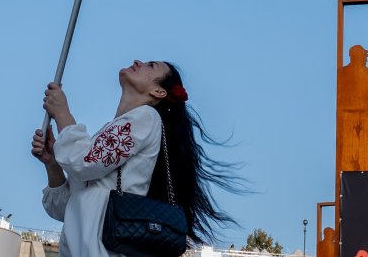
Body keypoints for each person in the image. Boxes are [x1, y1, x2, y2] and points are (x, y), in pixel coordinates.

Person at [32, 60, 232, 257]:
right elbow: (66, 208)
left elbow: (85, 160)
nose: (138, 61)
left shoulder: (146, 117)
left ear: (159, 92)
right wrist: (52, 165)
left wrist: (62, 113)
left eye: (151, 65)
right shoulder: (115, 130)